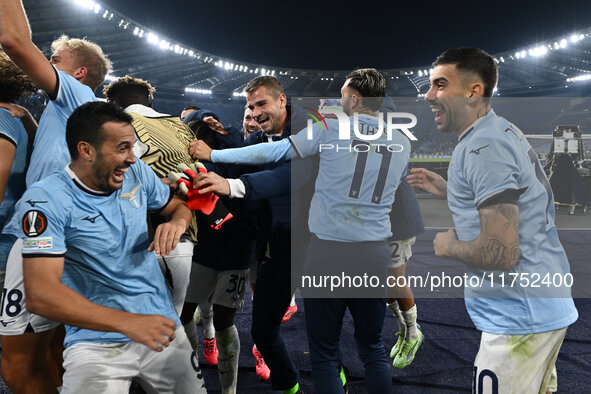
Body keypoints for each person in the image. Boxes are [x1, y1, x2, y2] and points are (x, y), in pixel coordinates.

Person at [192, 68, 411, 393]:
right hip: (372, 250)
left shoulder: (328, 129)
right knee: (373, 349)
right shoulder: (402, 141)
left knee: (323, 353)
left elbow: (278, 156)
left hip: (326, 248)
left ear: (354, 98)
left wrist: (215, 155)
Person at [1, 101, 207, 393]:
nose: (132, 158)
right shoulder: (45, 200)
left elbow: (177, 206)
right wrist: (128, 323)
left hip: (161, 326)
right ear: (86, 150)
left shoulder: (136, 175)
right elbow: (41, 296)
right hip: (95, 342)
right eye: (122, 148)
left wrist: (177, 223)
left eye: (132, 147)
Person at [406, 47, 578, 393]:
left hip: (519, 313)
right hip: (541, 301)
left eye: (440, 85)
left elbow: (502, 253)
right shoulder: (498, 130)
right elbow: (508, 196)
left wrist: (449, 245)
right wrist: (449, 188)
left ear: (473, 91)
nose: (428, 95)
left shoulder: (484, 147)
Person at [190, 75, 310, 394]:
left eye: (261, 104)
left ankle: (332, 377)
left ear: (282, 100)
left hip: (313, 245)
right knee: (264, 331)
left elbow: (283, 177)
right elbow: (235, 166)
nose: (255, 113)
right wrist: (203, 123)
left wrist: (233, 186)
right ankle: (290, 387)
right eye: (250, 106)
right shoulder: (257, 140)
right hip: (271, 252)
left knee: (326, 332)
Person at [103, 75, 197, 316]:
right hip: (187, 233)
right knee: (175, 323)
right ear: (150, 104)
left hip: (145, 240)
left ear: (114, 105)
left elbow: (116, 177)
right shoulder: (182, 127)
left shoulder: (124, 126)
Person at [0, 0, 111, 187]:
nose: (48, 65)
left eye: (55, 60)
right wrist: (27, 117)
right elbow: (46, 145)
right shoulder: (78, 106)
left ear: (79, 73)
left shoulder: (77, 91)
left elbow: (14, 41)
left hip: (56, 204)